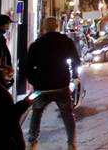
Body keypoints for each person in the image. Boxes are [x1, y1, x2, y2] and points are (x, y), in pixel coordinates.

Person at [25, 17, 80, 150]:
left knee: (36, 112)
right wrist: (73, 77)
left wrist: (34, 81)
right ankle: (71, 143)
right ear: (57, 26)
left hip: (41, 88)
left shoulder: (36, 44)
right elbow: (76, 61)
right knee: (68, 115)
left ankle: (32, 142)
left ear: (43, 27)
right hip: (61, 85)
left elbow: (27, 67)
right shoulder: (66, 41)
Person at [0, 43, 33, 150]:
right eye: (0, 61)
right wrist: (26, 102)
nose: (1, 66)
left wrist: (4, 79)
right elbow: (9, 116)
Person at [0, 14, 15, 88]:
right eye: (8, 24)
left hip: (0, 78)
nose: (8, 27)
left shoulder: (1, 38)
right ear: (3, 24)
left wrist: (6, 67)